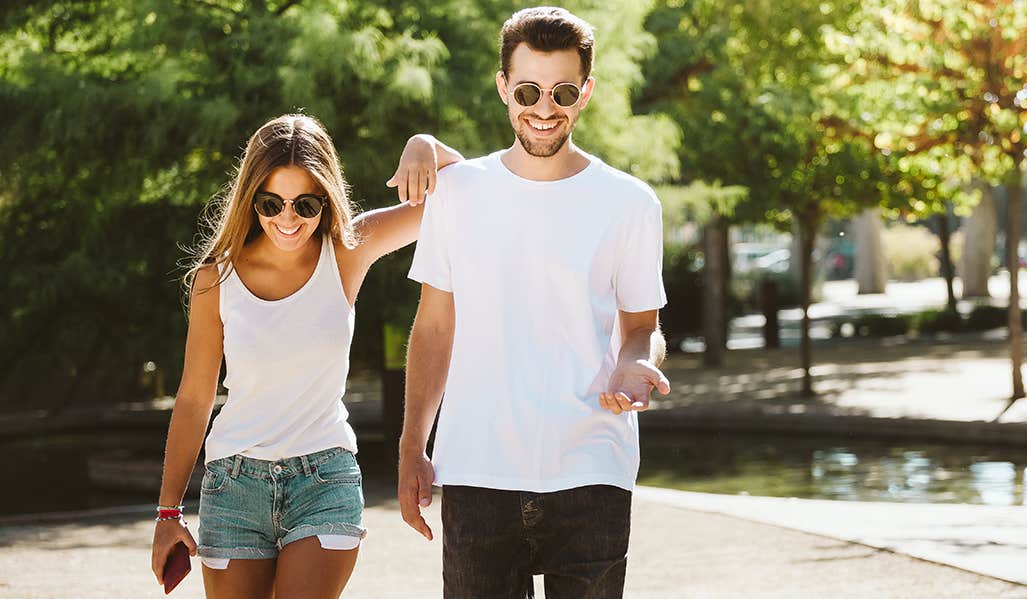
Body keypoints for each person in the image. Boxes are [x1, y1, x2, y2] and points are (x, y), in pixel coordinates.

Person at [398, 7, 671, 598]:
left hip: (593, 469)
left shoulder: (630, 202)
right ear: (503, 87)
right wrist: (412, 445)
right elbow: (435, 328)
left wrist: (635, 363)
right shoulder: (457, 193)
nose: (544, 108)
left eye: (562, 91)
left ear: (586, 92)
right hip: (477, 472)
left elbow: (641, 326)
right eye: (527, 89)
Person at [150, 113, 462, 599]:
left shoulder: (348, 251)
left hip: (325, 479)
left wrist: (427, 146)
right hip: (233, 485)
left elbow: (467, 195)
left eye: (306, 204)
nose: (288, 219)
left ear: (327, 200)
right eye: (270, 203)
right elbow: (193, 399)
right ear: (250, 198)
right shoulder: (215, 279)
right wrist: (168, 513)